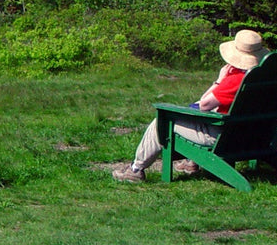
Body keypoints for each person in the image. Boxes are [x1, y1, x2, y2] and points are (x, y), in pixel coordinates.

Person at [113, 29, 268, 183]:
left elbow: (205, 104)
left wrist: (219, 80)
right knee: (210, 111)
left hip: (223, 136)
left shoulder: (235, 80)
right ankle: (191, 161)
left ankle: (136, 170)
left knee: (160, 122)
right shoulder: (266, 76)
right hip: (253, 134)